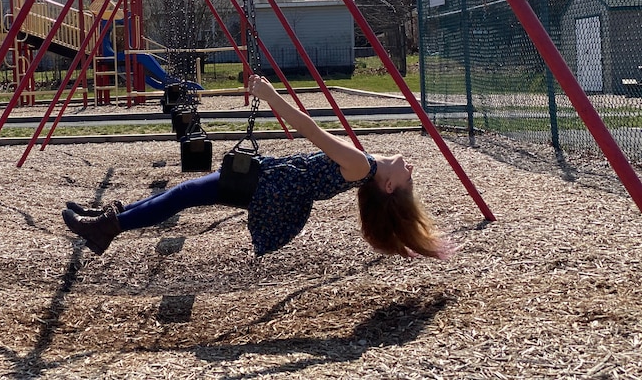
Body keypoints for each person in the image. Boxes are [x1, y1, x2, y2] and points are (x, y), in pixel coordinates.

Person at [62, 75, 453, 259]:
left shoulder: (360, 166)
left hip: (266, 188)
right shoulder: (364, 167)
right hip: (269, 183)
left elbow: (309, 129)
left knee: (182, 195)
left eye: (407, 180)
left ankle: (107, 228)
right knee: (181, 195)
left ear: (387, 187)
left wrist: (269, 96)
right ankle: (107, 220)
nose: (411, 169)